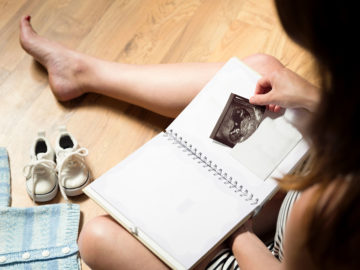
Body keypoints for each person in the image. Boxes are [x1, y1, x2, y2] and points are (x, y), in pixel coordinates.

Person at [18, 0, 359, 268]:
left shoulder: (324, 209)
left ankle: (81, 73)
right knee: (262, 72)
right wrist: (313, 97)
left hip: (270, 255)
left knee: (95, 238)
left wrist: (236, 232)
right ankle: (83, 73)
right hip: (311, 215)